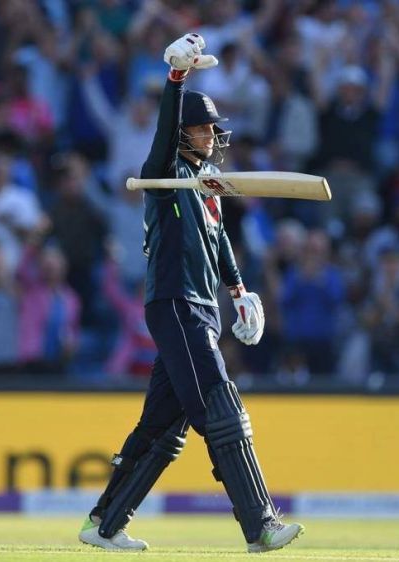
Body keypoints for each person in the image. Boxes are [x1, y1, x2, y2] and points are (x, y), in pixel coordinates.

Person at [77, 33, 304, 552]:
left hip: (202, 308)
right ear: (181, 133)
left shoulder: (206, 185)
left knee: (163, 427)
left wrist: (240, 290)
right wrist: (176, 79)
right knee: (220, 407)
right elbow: (162, 135)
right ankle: (260, 524)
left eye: (212, 130)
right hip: (174, 301)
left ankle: (103, 524)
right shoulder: (163, 174)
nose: (209, 137)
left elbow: (219, 240)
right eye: (200, 129)